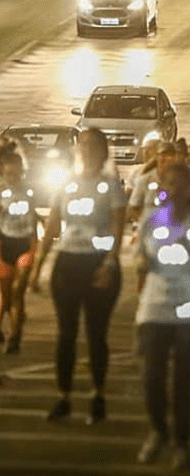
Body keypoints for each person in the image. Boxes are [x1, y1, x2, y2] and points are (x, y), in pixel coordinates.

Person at [30, 129, 126, 423]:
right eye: (82, 145)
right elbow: (51, 228)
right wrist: (37, 267)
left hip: (98, 264)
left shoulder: (110, 187)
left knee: (96, 334)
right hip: (68, 263)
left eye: (93, 145)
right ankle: (64, 397)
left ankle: (98, 395)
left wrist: (109, 263)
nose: (86, 150)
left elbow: (118, 229)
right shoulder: (67, 185)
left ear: (103, 151)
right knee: (66, 334)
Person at [135, 163, 190, 470]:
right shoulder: (150, 221)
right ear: (163, 186)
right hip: (155, 309)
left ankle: (182, 444)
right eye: (169, 184)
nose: (175, 190)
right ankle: (159, 430)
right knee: (152, 378)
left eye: (182, 185)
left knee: (183, 381)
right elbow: (141, 263)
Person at [0, 150, 37, 354]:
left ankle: (14, 335)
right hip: (5, 245)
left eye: (17, 174)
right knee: (5, 297)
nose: (13, 178)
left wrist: (34, 247)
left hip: (23, 244)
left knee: (18, 291)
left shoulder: (29, 193)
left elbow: (32, 223)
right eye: (9, 174)